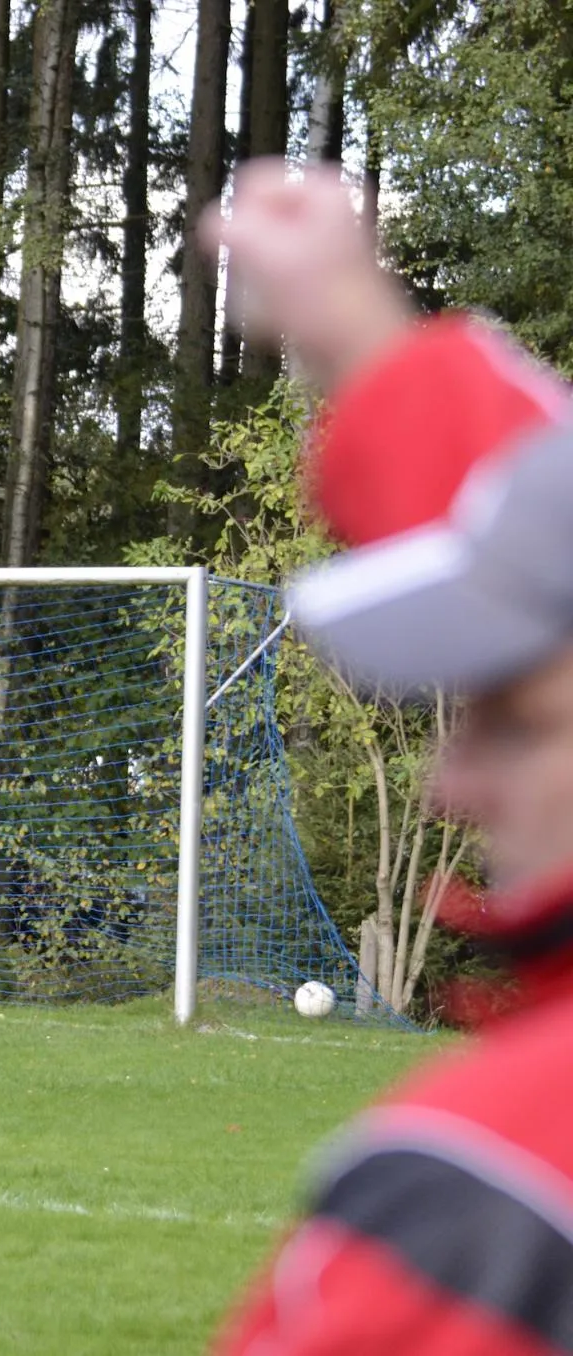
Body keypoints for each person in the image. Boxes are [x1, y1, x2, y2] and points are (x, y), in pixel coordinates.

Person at [206, 160, 573, 1353]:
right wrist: (351, 325)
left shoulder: (483, 1193)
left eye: (512, 722)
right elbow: (539, 519)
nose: (449, 785)